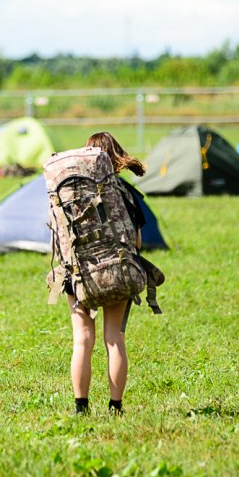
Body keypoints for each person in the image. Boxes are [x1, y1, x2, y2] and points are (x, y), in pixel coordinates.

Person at [68, 132, 147, 415]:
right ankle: (115, 407)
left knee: (82, 339)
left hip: (79, 276)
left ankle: (81, 407)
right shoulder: (124, 192)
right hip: (117, 272)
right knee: (114, 338)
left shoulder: (70, 192)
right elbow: (137, 241)